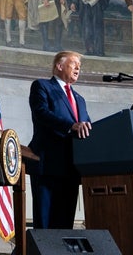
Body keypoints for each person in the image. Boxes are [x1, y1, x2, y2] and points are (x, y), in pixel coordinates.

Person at [28, 51, 92, 229]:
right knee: (46, 226)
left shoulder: (80, 99)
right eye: (74, 64)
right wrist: (71, 126)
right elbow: (41, 113)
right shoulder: (42, 86)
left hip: (71, 169)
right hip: (47, 165)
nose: (78, 67)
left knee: (64, 227)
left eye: (79, 65)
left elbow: (87, 126)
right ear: (59, 65)